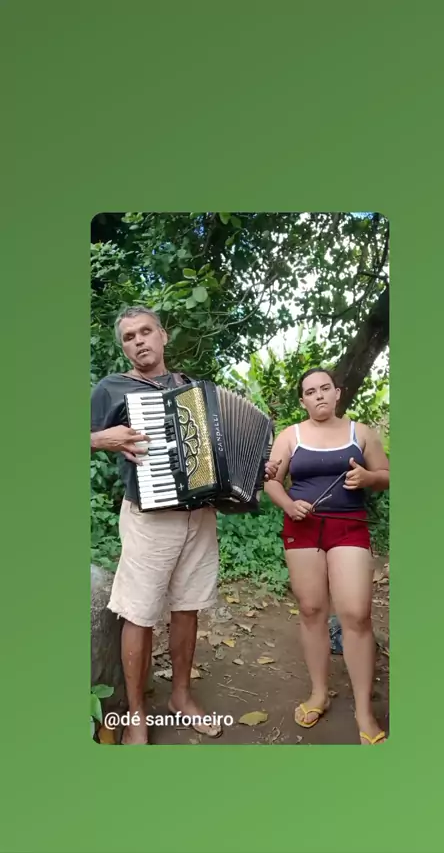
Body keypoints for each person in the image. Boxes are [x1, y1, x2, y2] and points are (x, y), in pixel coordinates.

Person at [90, 306, 280, 744]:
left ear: (163, 336)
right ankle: (137, 714)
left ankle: (180, 696)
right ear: (124, 347)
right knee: (138, 613)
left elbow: (219, 453)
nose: (139, 341)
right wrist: (102, 438)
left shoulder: (192, 388)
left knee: (187, 606)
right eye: (129, 337)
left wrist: (257, 469)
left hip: (200, 516)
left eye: (145, 331)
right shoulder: (112, 388)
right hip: (149, 519)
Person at [264, 368, 389, 745]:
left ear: (337, 393)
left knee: (356, 614)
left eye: (324, 388)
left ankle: (364, 710)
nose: (318, 395)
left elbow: (385, 474)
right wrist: (289, 504)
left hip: (349, 525)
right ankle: (319, 693)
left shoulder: (360, 433)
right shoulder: (290, 436)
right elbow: (271, 481)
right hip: (302, 528)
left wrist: (368, 478)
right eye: (310, 391)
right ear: (302, 401)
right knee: (312, 610)